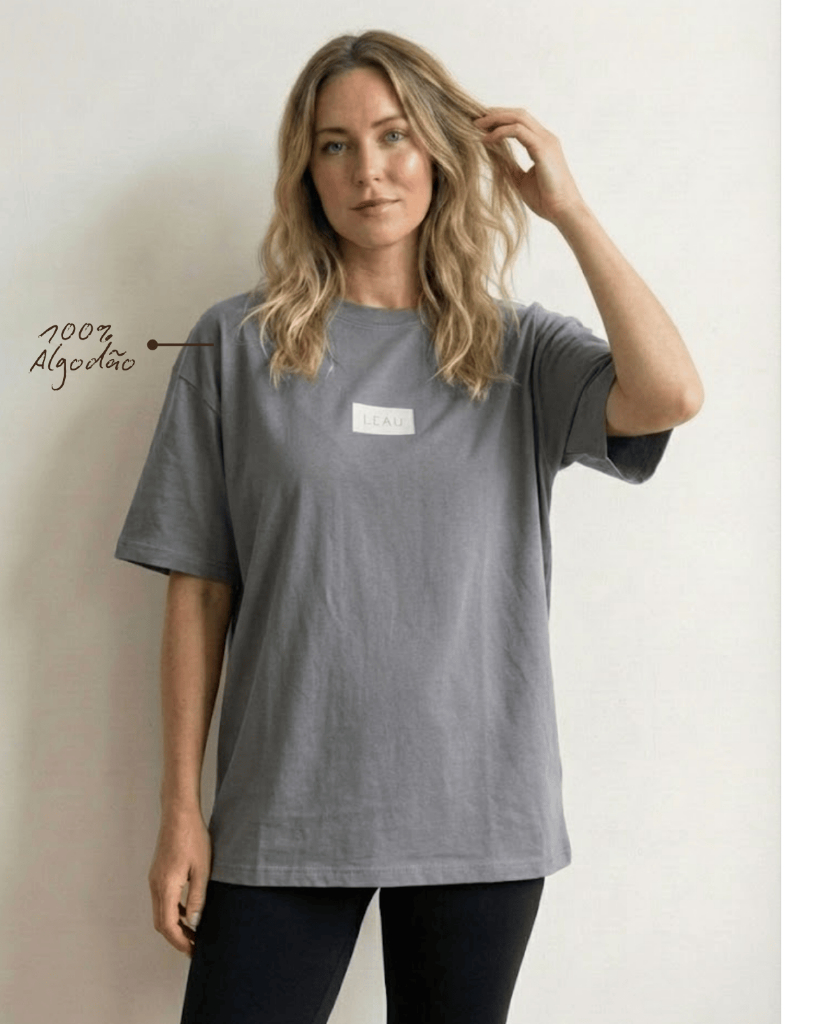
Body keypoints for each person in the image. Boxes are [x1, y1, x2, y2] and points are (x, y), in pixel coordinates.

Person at [115, 28, 703, 1024]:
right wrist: (180, 810)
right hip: (284, 812)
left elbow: (671, 393)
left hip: (479, 815)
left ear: (438, 151)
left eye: (394, 135)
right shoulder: (235, 347)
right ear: (306, 172)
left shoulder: (516, 349)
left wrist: (567, 208)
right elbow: (199, 588)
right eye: (335, 144)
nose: (369, 171)